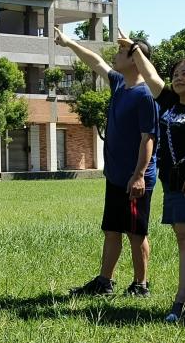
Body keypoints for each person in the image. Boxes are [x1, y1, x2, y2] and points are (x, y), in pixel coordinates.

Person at [117, 28, 185, 323]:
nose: (178, 77)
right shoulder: (170, 104)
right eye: (175, 73)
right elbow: (151, 77)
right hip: (172, 182)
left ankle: (181, 302)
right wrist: (135, 48)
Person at [54, 25, 158, 298]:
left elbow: (148, 139)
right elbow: (95, 60)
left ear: (136, 59)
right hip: (116, 175)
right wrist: (68, 43)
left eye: (123, 51)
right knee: (112, 229)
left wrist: (139, 175)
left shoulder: (146, 95)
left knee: (136, 233)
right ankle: (104, 281)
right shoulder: (119, 84)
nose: (116, 55)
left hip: (136, 177)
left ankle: (140, 285)